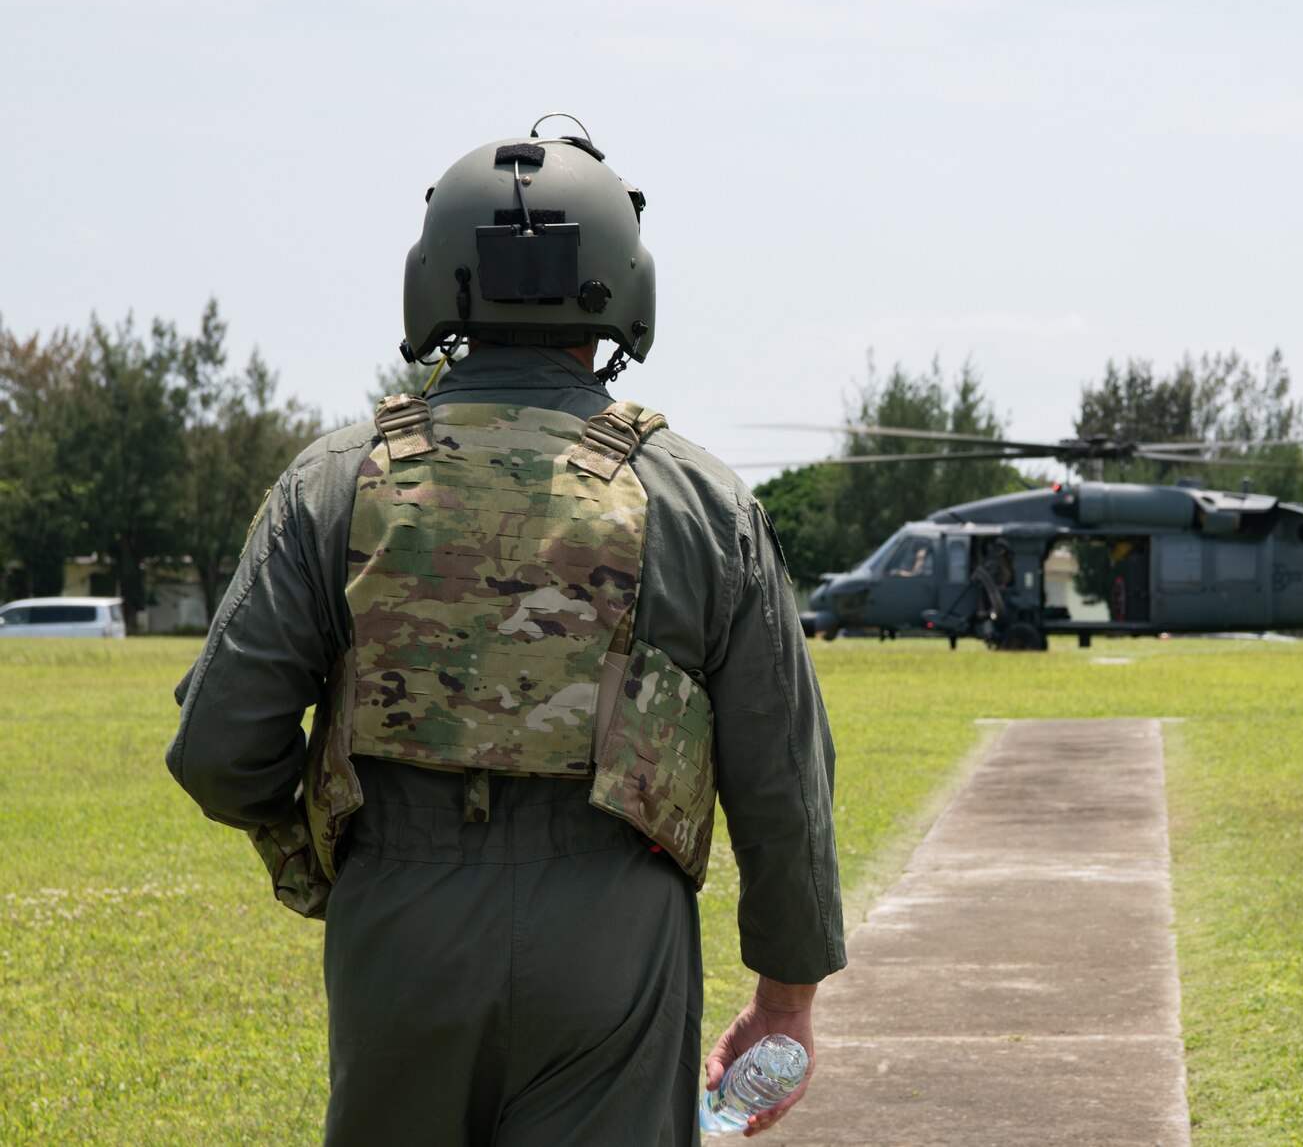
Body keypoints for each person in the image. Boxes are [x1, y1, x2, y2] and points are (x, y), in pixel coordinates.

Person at [166, 119, 845, 1146]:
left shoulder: (334, 481)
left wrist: (321, 856)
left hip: (398, 919)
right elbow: (781, 772)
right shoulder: (697, 495)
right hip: (613, 931)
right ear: (623, 286)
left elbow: (221, 744)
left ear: (436, 283)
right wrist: (785, 997)